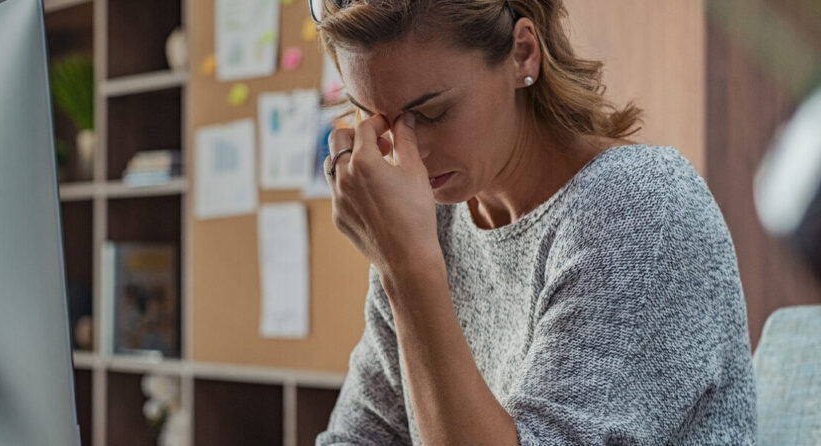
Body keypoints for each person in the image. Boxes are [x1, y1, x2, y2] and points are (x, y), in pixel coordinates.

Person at [308, 0, 756, 444]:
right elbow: (359, 436)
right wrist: (404, 264)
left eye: (431, 114)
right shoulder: (432, 225)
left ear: (523, 52)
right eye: (376, 119)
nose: (407, 153)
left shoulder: (640, 209)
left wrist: (408, 270)